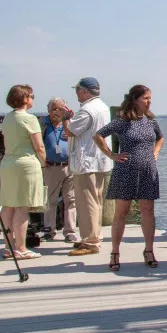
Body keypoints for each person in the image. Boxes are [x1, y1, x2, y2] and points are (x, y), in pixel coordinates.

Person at [93, 85, 164, 271]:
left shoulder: (151, 121)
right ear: (135, 100)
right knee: (122, 212)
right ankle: (115, 252)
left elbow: (160, 138)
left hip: (148, 170)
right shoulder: (123, 121)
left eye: (150, 98)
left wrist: (156, 151)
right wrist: (111, 155)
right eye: (146, 98)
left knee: (147, 210)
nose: (149, 101)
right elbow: (98, 135)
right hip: (126, 171)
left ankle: (149, 250)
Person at [63, 77, 113, 256]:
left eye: (77, 90)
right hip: (99, 161)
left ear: (84, 91)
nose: (76, 93)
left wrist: (65, 119)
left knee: (87, 203)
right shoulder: (103, 107)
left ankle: (90, 241)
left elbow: (69, 131)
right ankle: (94, 236)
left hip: (87, 162)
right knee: (96, 201)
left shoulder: (86, 110)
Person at [0, 85, 45, 260]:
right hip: (25, 164)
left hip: (8, 163)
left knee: (8, 205)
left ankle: (8, 246)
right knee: (22, 207)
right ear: (25, 98)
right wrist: (43, 162)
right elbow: (39, 146)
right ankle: (20, 247)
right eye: (31, 96)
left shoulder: (7, 119)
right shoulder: (29, 119)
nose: (33, 98)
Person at [40, 97, 77, 243]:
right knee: (50, 200)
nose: (57, 112)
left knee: (71, 199)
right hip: (51, 166)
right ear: (48, 110)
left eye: (60, 109)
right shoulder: (43, 124)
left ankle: (70, 231)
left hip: (69, 166)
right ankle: (49, 230)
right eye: (53, 108)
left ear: (65, 110)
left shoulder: (69, 123)